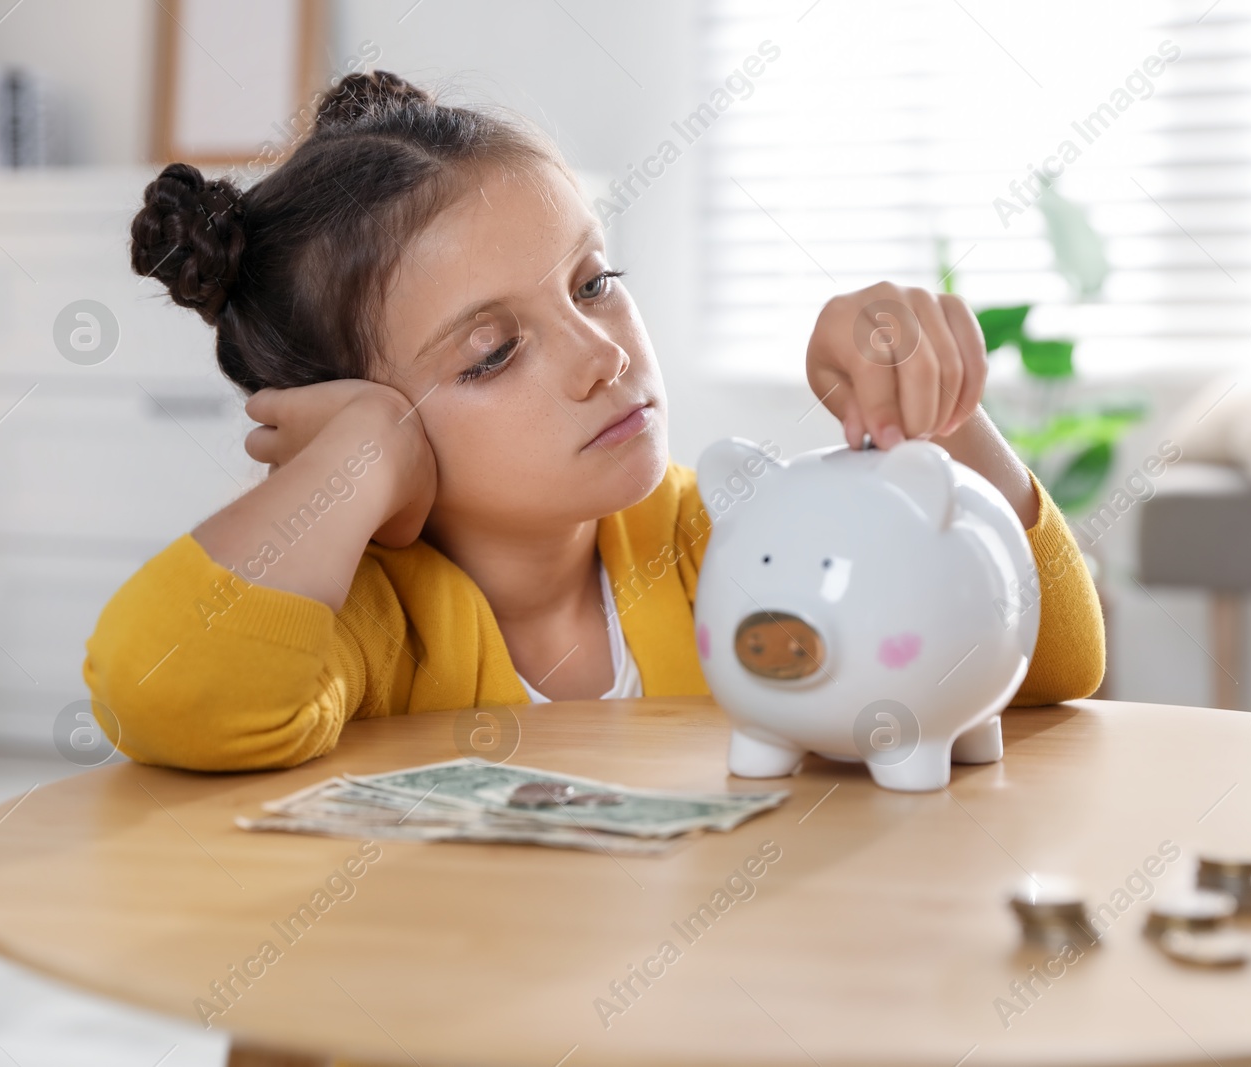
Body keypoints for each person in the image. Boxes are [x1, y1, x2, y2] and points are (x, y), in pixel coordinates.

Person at [84, 70, 1104, 772]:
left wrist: (932, 417)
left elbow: (1044, 669)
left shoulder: (721, 543)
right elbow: (162, 690)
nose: (603, 353)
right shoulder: (367, 628)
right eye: (492, 352)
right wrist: (357, 458)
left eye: (594, 280)